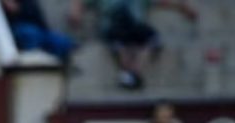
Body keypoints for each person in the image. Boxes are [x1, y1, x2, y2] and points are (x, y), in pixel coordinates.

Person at [70, 0, 198, 90]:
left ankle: (134, 72)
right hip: (114, 25)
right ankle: (127, 73)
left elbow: (163, 2)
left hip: (135, 27)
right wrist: (76, 12)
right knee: (118, 39)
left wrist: (182, 7)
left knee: (152, 39)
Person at [1, 0, 76, 63]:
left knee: (63, 42)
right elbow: (12, 8)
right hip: (18, 27)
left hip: (39, 28)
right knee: (31, 35)